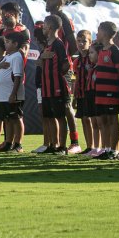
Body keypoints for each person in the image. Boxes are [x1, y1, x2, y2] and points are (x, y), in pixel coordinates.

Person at [45, 0, 81, 153]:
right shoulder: (51, 20)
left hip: (62, 69)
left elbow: (73, 45)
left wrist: (65, 63)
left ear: (60, 2)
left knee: (65, 106)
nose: (47, 1)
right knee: (53, 107)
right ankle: (54, 143)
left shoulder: (63, 19)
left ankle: (74, 142)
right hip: (52, 69)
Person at [35, 16, 70, 154]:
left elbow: (66, 63)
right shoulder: (48, 45)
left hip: (56, 87)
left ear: (49, 28)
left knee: (60, 116)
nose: (43, 28)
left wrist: (57, 74)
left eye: (44, 26)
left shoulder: (58, 44)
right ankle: (52, 144)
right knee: (49, 116)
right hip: (46, 87)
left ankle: (63, 146)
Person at [90, 22, 119, 159]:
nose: (96, 34)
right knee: (102, 121)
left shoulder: (114, 51)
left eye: (98, 31)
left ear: (104, 33)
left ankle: (114, 151)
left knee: (112, 119)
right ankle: (106, 149)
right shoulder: (102, 50)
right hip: (100, 93)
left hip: (112, 92)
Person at [0, 32, 26, 152]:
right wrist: (0, 67)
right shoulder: (7, 56)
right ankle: (8, 143)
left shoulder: (17, 56)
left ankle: (18, 145)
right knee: (8, 119)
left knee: (16, 118)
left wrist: (13, 94)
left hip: (12, 94)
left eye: (8, 42)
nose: (5, 44)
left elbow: (18, 77)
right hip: (3, 94)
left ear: (15, 44)